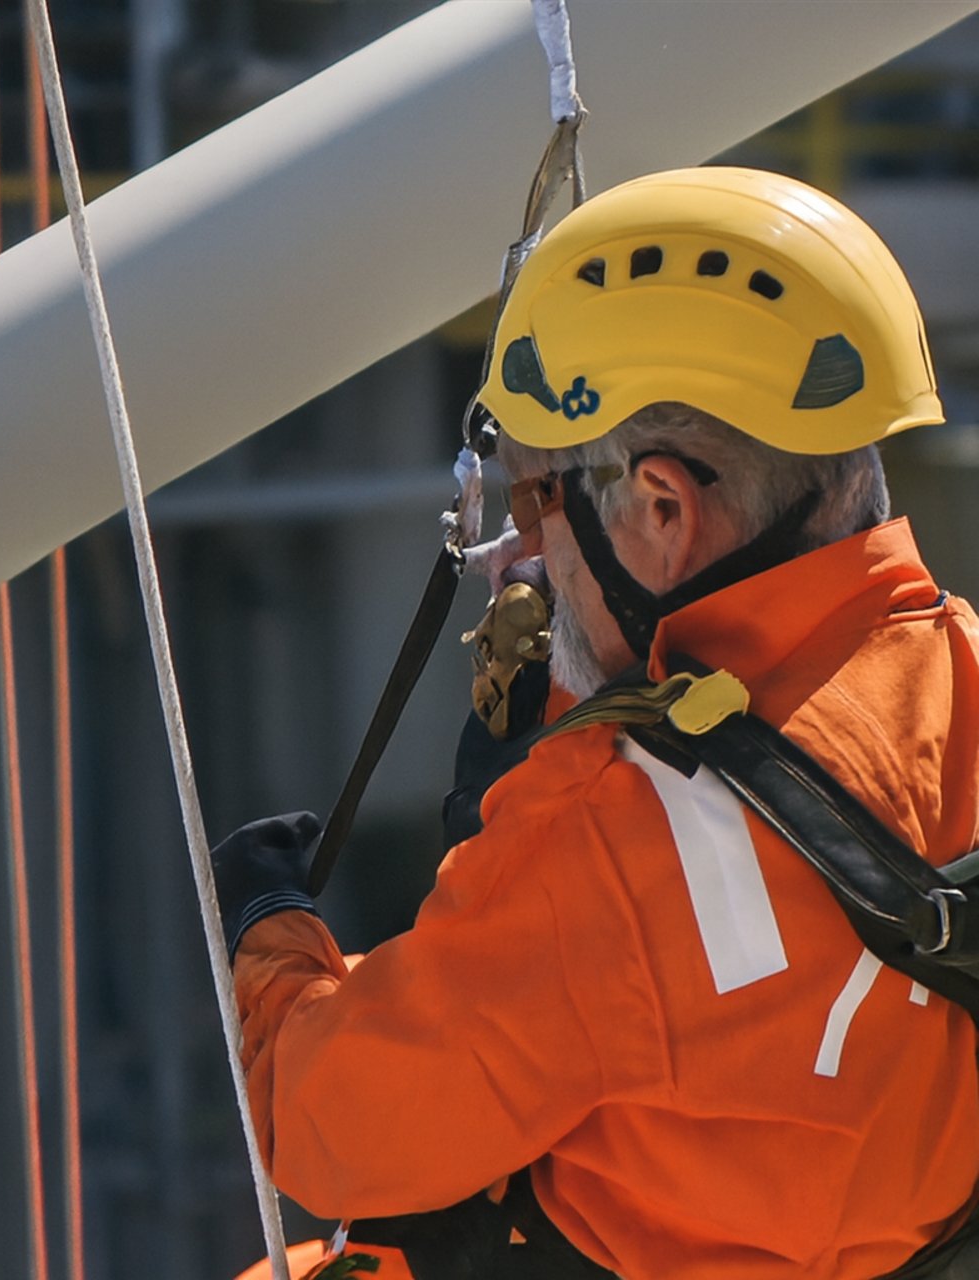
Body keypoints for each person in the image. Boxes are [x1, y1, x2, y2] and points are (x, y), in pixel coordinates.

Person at [213, 167, 979, 1280]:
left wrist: (267, 933)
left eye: (538, 502)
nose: (525, 552)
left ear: (662, 507)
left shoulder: (603, 844)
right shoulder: (958, 666)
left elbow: (332, 1126)